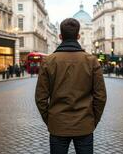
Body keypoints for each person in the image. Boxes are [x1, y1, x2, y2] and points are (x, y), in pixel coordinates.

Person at [35, 18, 107, 154]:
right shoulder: (91, 61)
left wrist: (50, 119)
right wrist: (92, 120)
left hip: (58, 124)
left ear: (60, 36)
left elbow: (40, 97)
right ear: (78, 36)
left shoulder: (48, 61)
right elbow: (101, 96)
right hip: (84, 124)